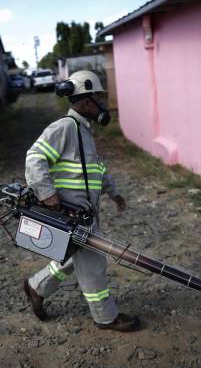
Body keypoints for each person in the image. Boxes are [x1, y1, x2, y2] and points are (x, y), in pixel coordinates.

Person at [22, 70, 140, 332]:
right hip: (70, 213)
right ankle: (105, 317)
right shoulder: (65, 128)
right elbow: (34, 157)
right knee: (94, 264)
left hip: (84, 214)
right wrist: (47, 194)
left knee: (74, 258)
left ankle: (36, 287)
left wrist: (113, 192)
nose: (103, 102)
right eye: (98, 96)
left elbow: (95, 169)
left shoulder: (84, 131)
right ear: (86, 100)